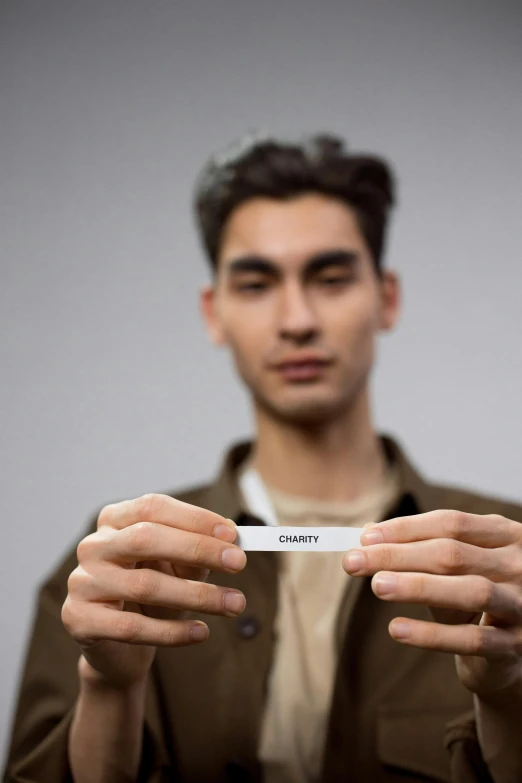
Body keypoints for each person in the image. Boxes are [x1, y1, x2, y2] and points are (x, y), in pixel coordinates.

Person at [4, 134, 522, 783]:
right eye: (256, 284)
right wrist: (109, 687)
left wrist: (507, 696)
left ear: (386, 298)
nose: (297, 318)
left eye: (331, 279)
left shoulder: (505, 568)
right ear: (213, 311)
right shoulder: (118, 561)